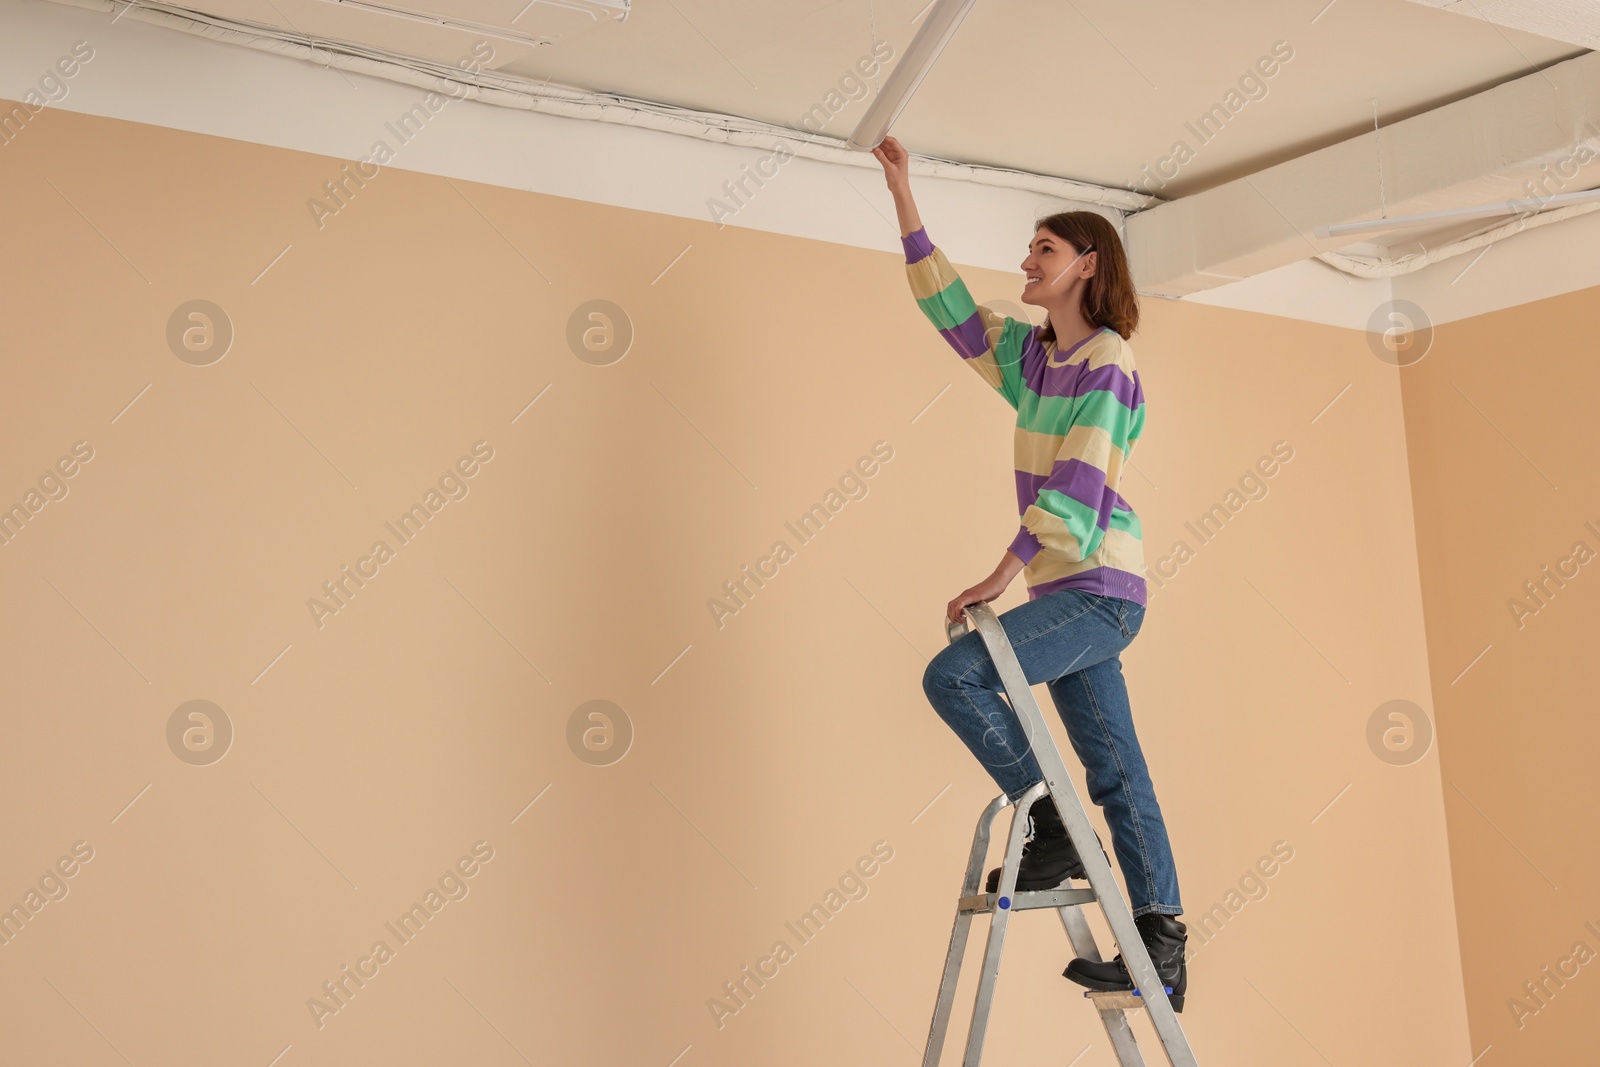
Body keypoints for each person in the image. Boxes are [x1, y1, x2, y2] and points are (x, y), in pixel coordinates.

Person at [871, 135, 1187, 1010]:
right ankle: (1160, 944)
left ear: (1088, 264)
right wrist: (904, 193)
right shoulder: (1035, 357)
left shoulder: (1109, 361)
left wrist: (998, 575)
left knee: (956, 673)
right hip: (1068, 594)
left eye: (1043, 250)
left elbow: (1079, 488)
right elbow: (951, 311)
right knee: (1117, 767)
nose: (1026, 261)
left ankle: (1049, 823)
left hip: (1099, 590)